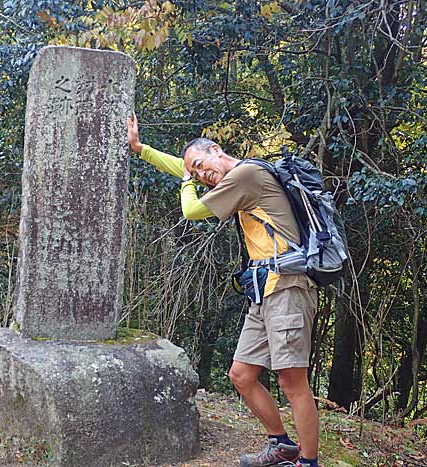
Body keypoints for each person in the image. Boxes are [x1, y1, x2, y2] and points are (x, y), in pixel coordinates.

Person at [127, 113, 321, 467]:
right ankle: (282, 444)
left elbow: (191, 210)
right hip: (265, 289)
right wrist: (141, 150)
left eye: (202, 166)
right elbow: (183, 169)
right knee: (242, 375)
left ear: (216, 149)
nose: (201, 175)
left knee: (292, 383)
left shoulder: (245, 175)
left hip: (289, 288)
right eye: (197, 172)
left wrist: (187, 181)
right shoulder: (233, 178)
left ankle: (308, 462)